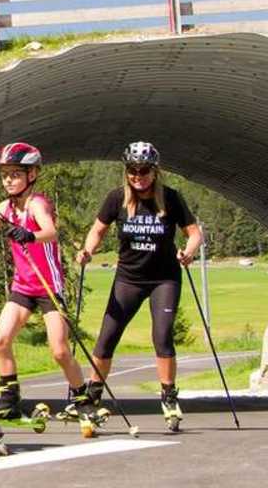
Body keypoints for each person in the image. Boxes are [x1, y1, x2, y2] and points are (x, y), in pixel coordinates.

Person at [0, 143, 92, 420]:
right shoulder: (5, 207)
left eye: (15, 174)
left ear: (32, 175)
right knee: (1, 339)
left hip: (48, 286)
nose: (9, 180)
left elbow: (50, 232)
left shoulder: (37, 204)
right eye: (5, 175)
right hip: (22, 287)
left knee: (60, 351)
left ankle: (83, 399)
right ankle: (9, 400)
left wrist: (29, 235)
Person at [74, 141, 203, 424]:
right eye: (132, 170)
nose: (138, 176)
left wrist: (189, 251)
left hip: (164, 278)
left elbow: (194, 233)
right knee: (107, 337)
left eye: (143, 170)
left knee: (162, 336)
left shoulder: (171, 198)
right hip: (129, 278)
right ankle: (92, 397)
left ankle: (169, 396)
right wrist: (88, 251)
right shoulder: (116, 198)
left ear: (154, 171)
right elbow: (97, 230)